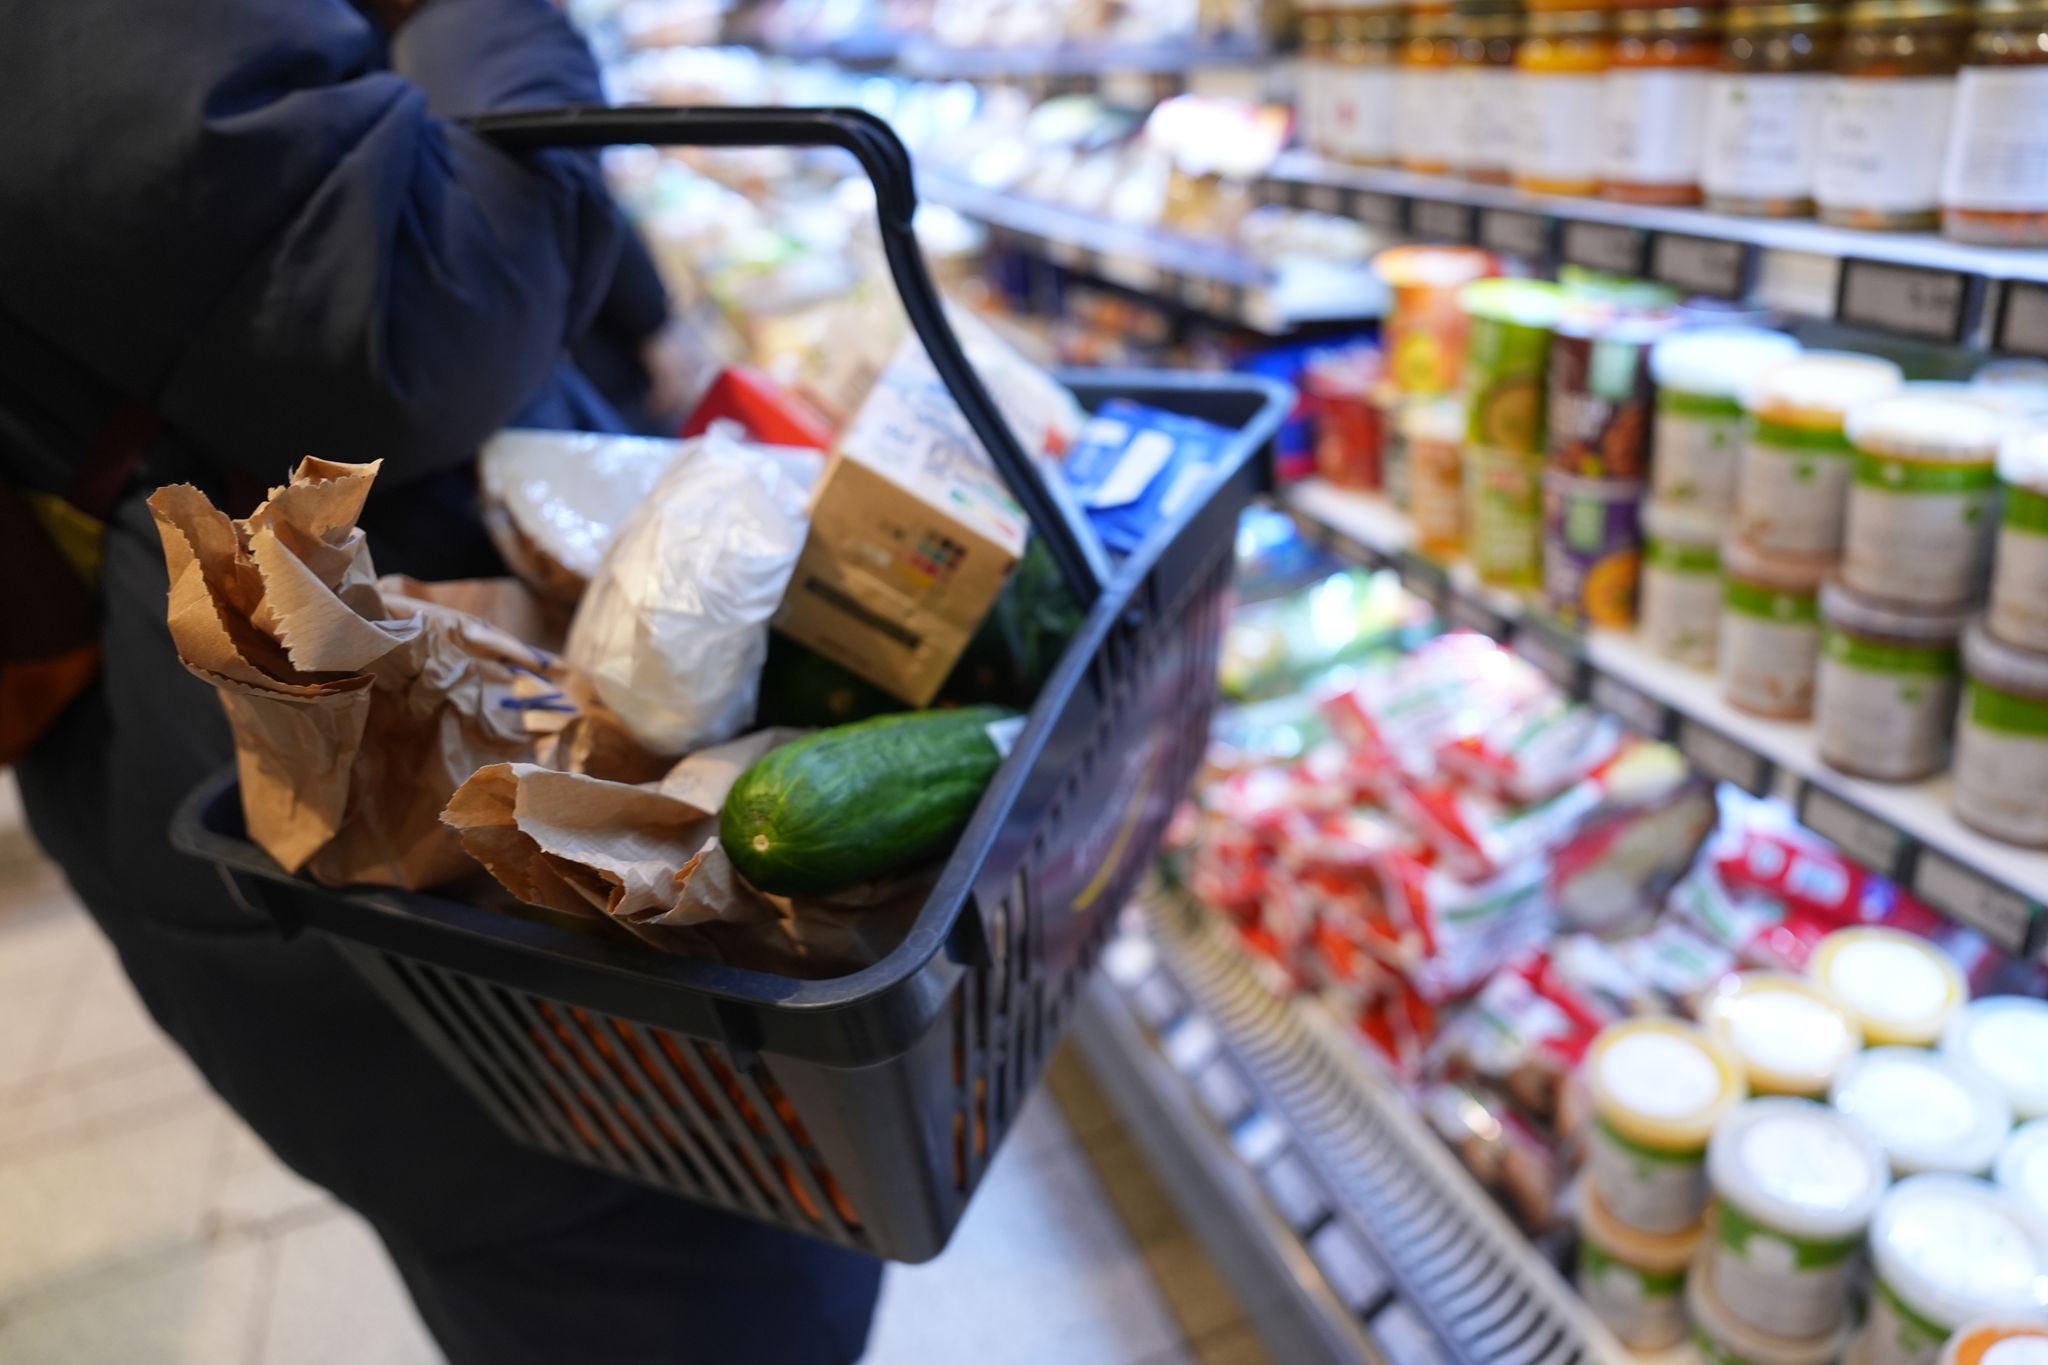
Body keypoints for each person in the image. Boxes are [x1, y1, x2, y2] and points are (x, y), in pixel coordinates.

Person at [0, 1, 885, 1361]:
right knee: (665, 1251)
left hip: (275, 727)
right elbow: (400, 307)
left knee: (631, 1243)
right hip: (344, 775)